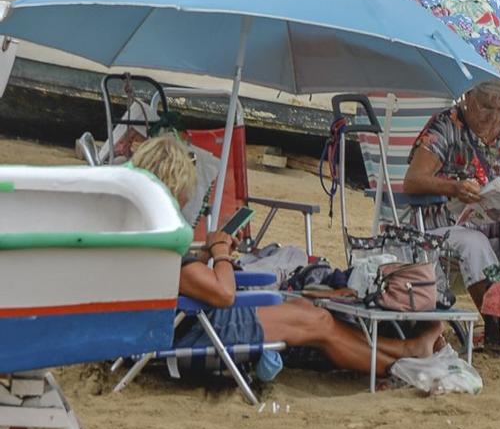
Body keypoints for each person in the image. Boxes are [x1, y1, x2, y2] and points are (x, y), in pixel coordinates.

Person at [129, 135, 445, 384]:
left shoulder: (138, 228)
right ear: (174, 183)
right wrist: (221, 252)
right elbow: (223, 294)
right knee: (318, 322)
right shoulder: (161, 238)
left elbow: (181, 279)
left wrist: (206, 253)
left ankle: (407, 352)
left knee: (308, 311)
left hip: (185, 321)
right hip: (197, 327)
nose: (190, 194)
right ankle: (403, 359)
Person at [402, 74, 500, 303]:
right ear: (468, 95)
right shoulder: (445, 127)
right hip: (446, 227)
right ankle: (495, 320)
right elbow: (413, 180)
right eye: (487, 107)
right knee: (474, 243)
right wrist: (455, 188)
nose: (493, 117)